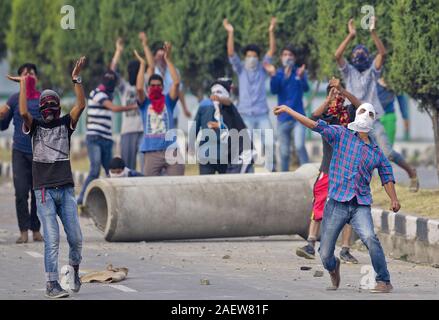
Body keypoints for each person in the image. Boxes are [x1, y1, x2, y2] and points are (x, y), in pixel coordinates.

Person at [274, 102, 400, 294]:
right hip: (336, 203)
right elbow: (314, 125)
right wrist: (289, 111)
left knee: (369, 237)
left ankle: (384, 280)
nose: (366, 114)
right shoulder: (341, 135)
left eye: (370, 113)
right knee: (325, 254)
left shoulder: (376, 152)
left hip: (360, 205)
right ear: (356, 115)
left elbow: (387, 176)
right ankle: (334, 268)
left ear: (374, 120)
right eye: (362, 111)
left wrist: (394, 199)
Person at [8, 57, 87, 298]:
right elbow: (22, 111)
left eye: (53, 103)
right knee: (52, 238)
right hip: (44, 192)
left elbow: (81, 104)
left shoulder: (66, 124)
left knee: (76, 239)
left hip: (65, 190)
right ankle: (51, 285)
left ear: (59, 107)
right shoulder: (34, 127)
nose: (50, 106)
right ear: (41, 108)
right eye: (46, 103)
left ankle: (74, 271)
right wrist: (23, 84)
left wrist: (76, 78)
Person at [335, 17, 419, 192]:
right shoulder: (348, 72)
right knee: (356, 157)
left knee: (387, 153)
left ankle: (411, 172)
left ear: (367, 57)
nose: (359, 55)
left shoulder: (372, 72)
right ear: (352, 58)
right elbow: (337, 55)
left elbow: (382, 53)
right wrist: (351, 35)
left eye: (362, 53)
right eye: (356, 53)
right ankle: (361, 190)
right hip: (354, 122)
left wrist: (373, 32)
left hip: (374, 119)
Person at [296, 78, 360, 264]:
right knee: (319, 206)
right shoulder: (327, 117)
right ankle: (310, 244)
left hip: (348, 171)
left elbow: (361, 105)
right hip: (328, 169)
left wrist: (343, 90)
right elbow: (312, 118)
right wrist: (328, 100)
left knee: (349, 210)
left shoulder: (350, 113)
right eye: (333, 93)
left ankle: (345, 250)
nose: (337, 95)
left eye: (339, 93)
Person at [77, 44, 138, 206]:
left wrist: (118, 51)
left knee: (111, 171)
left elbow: (112, 71)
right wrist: (132, 106)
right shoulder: (96, 93)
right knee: (94, 169)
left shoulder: (108, 89)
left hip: (107, 138)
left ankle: (115, 200)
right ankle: (82, 198)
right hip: (95, 138)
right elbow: (114, 108)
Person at [223, 17, 277, 172]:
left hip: (261, 114)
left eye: (254, 56)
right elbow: (231, 53)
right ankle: (249, 172)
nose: (251, 58)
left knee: (270, 142)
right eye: (249, 56)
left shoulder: (262, 68)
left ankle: (271, 171)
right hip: (245, 114)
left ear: (258, 58)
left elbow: (272, 50)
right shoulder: (240, 69)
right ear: (245, 57)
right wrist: (230, 32)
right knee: (247, 147)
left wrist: (271, 30)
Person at [0, 63, 43, 244]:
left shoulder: (43, 98)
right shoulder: (13, 99)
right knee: (21, 193)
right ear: (19, 80)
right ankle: (23, 230)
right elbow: (3, 126)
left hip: (40, 152)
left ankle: (36, 230)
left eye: (31, 73)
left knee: (38, 193)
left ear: (36, 78)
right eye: (24, 74)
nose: (28, 76)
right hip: (19, 151)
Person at [135, 42, 185, 176]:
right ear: (149, 88)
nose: (155, 88)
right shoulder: (145, 103)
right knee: (150, 188)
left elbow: (176, 83)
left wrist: (168, 60)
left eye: (158, 85)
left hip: (171, 150)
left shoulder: (168, 101)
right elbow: (139, 88)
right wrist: (142, 65)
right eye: (152, 86)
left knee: (179, 185)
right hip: (151, 152)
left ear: (163, 87)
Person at [191, 78, 255, 175]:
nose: (215, 95)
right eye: (213, 92)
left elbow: (228, 102)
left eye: (219, 92)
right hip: (226, 156)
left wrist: (219, 98)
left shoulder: (229, 107)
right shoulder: (216, 109)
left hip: (241, 156)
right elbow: (228, 128)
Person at [265, 44, 310, 170]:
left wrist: (301, 78)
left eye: (290, 55)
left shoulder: (299, 71)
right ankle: (284, 179)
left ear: (294, 58)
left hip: (298, 117)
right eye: (285, 55)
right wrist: (273, 75)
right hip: (283, 118)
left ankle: (310, 174)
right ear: (281, 58)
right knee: (284, 152)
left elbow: (306, 88)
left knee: (300, 145)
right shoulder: (278, 73)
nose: (287, 57)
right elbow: (274, 90)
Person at [110, 37, 147, 171]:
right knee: (127, 168)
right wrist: (118, 52)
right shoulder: (124, 87)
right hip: (127, 130)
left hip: (144, 130)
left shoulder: (145, 86)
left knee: (145, 167)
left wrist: (144, 48)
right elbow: (112, 72)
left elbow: (151, 68)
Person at [152, 40, 191, 128]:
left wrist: (185, 108)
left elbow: (179, 90)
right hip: (156, 115)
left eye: (163, 56)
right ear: (154, 57)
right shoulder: (152, 71)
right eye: (159, 56)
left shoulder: (174, 71)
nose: (161, 59)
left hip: (172, 113)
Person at [376, 77, 410, 145]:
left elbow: (401, 98)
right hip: (373, 116)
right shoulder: (370, 73)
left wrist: (405, 117)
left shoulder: (393, 77)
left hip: (389, 115)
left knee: (388, 149)